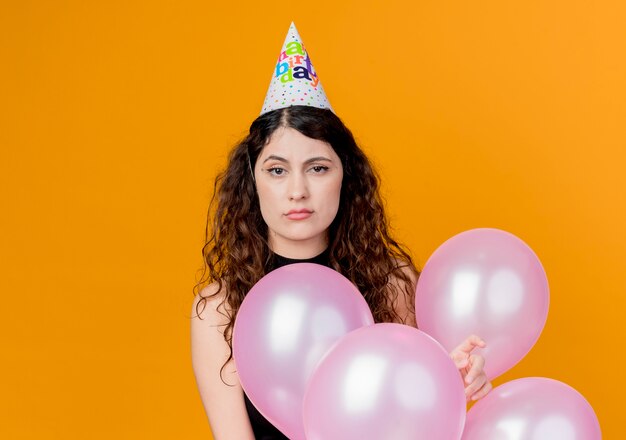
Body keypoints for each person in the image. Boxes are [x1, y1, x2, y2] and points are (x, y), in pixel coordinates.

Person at [191, 23, 492, 440]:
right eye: (277, 170)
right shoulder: (220, 308)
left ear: (345, 177)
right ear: (252, 182)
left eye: (317, 168)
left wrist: (454, 380)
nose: (297, 191)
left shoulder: (392, 283)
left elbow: (419, 418)